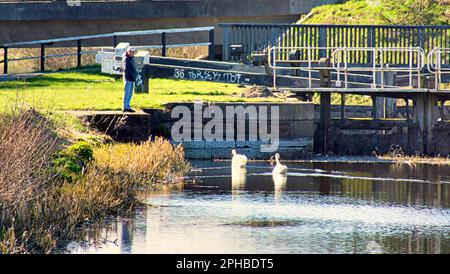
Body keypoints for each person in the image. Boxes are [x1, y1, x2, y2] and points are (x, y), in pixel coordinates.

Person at [122, 48, 137, 112]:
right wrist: (132, 75)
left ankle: (127, 106)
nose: (132, 53)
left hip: (131, 78)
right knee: (127, 93)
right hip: (128, 78)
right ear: (128, 52)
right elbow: (126, 69)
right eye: (130, 52)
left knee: (130, 93)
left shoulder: (131, 58)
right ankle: (125, 107)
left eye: (133, 52)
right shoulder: (126, 59)